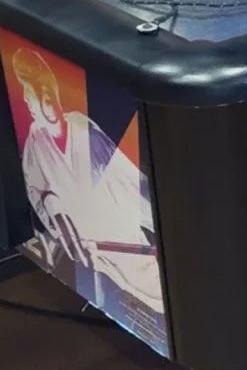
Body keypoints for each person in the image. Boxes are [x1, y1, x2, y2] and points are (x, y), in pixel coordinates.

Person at [10, 46, 163, 320]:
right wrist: (52, 209)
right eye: (33, 94)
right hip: (85, 241)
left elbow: (125, 178)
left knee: (154, 285)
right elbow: (35, 190)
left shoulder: (82, 129)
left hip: (120, 232)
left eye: (45, 92)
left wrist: (162, 224)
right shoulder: (35, 141)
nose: (42, 102)